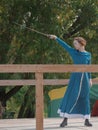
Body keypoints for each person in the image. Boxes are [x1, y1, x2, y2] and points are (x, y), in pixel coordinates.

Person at [48, 35, 92, 127]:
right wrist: (56, 38)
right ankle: (65, 120)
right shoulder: (73, 52)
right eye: (74, 44)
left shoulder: (88, 55)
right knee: (72, 96)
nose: (74, 45)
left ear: (81, 44)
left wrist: (90, 79)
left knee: (85, 99)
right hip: (75, 78)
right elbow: (65, 45)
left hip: (85, 79)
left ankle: (87, 120)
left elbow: (89, 68)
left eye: (76, 43)